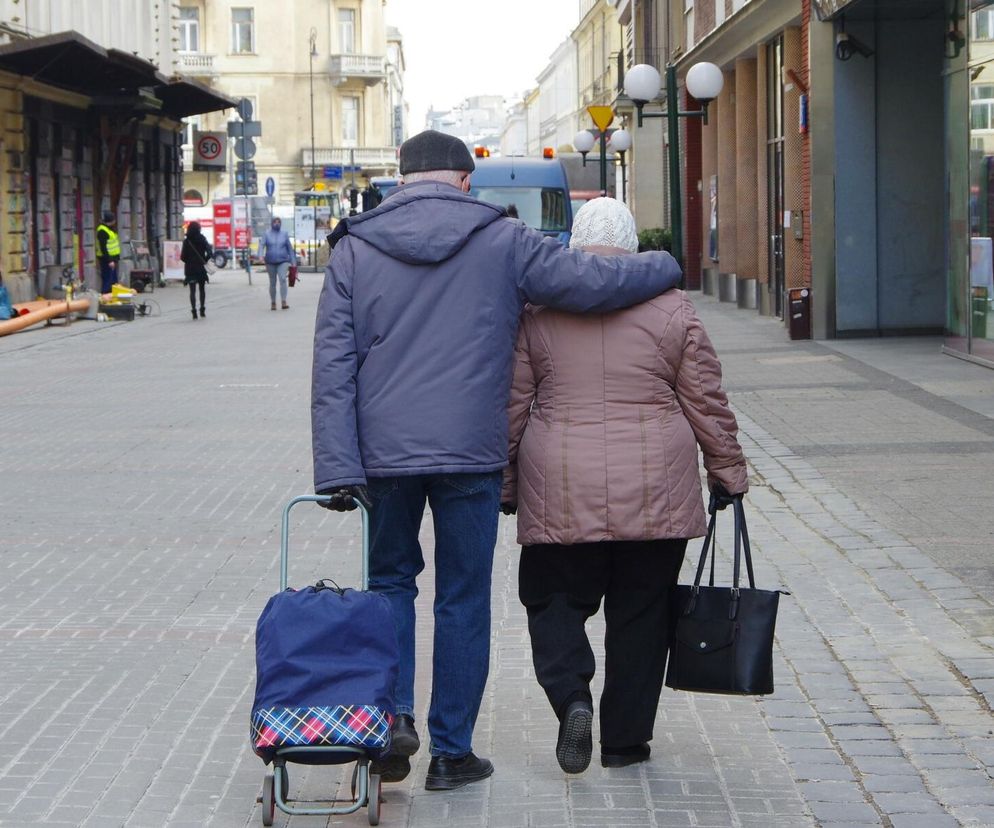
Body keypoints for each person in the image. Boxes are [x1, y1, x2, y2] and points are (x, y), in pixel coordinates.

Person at [311, 130, 682, 793]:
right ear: (463, 180)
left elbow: (332, 368)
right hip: (470, 451)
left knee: (390, 582)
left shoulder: (355, 247)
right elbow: (588, 282)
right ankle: (452, 752)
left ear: (402, 181)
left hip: (383, 455)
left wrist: (338, 466)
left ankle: (395, 720)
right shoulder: (502, 239)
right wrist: (665, 266)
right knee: (461, 598)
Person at [501, 198, 749, 774]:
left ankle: (572, 698)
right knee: (643, 615)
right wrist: (728, 471)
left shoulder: (539, 310)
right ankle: (624, 740)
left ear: (573, 244)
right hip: (655, 490)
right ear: (634, 244)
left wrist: (507, 484)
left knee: (552, 601)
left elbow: (511, 406)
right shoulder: (673, 308)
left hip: (559, 485)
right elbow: (706, 401)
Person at [259, 217, 295, 311]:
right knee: (272, 282)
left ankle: (283, 301)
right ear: (272, 223)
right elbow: (262, 245)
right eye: (275, 222)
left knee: (283, 279)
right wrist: (260, 256)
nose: (277, 223)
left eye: (279, 222)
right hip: (270, 261)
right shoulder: (266, 234)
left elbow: (290, 249)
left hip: (283, 261)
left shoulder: (284, 234)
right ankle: (273, 302)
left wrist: (293, 262)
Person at [180, 221, 212, 320]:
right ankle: (202, 309)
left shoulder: (187, 241)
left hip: (190, 268)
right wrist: (204, 260)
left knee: (192, 290)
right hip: (200, 268)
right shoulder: (202, 239)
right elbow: (210, 252)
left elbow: (182, 257)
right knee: (202, 289)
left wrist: (189, 261)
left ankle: (194, 311)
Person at [96, 211, 121, 294]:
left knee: (113, 281)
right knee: (107, 280)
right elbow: (104, 248)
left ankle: (112, 297)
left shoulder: (109, 229)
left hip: (112, 259)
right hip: (107, 260)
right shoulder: (102, 231)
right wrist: (110, 261)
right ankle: (105, 297)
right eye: (113, 220)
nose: (115, 222)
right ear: (110, 221)